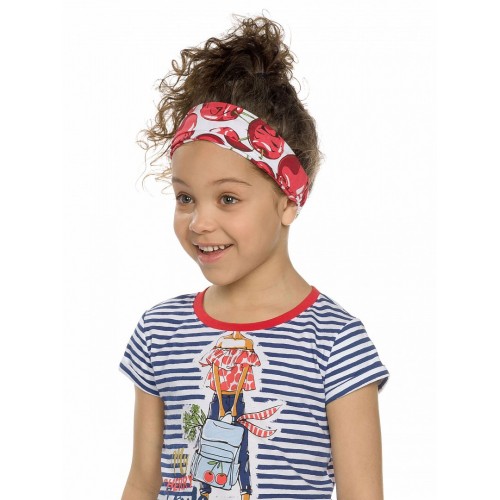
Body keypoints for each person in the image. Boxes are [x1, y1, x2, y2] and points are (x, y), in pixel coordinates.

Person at [119, 13, 390, 500]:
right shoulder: (160, 332)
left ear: (288, 200)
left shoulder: (335, 342)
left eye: (227, 198)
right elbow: (142, 481)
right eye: (185, 197)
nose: (199, 222)